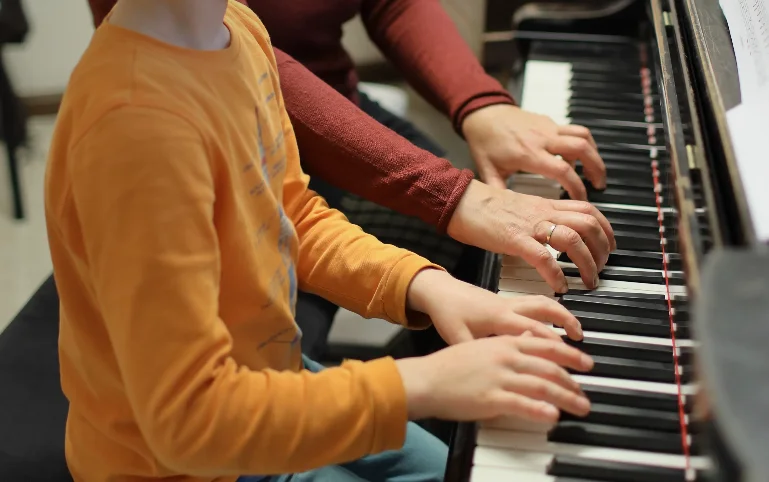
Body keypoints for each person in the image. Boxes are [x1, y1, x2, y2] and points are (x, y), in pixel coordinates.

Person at [46, 1, 597, 481]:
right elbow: (189, 419)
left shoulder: (236, 27)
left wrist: (426, 285)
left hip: (274, 381)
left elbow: (292, 217)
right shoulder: (138, 126)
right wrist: (419, 384)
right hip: (184, 465)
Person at [85, 0, 616, 361]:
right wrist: (452, 198)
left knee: (487, 262)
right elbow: (239, 62)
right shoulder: (151, 83)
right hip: (236, 143)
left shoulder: (236, 31)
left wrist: (479, 106)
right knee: (476, 253)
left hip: (323, 114)